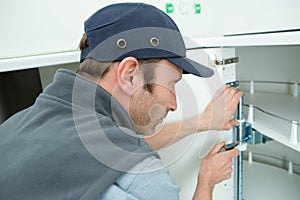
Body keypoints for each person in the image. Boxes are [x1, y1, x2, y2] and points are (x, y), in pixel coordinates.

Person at [0, 3, 242, 200]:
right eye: (171, 83)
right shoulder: (142, 182)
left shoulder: (13, 129)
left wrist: (201, 122)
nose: (174, 104)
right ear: (129, 74)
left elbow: (111, 145)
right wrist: (207, 182)